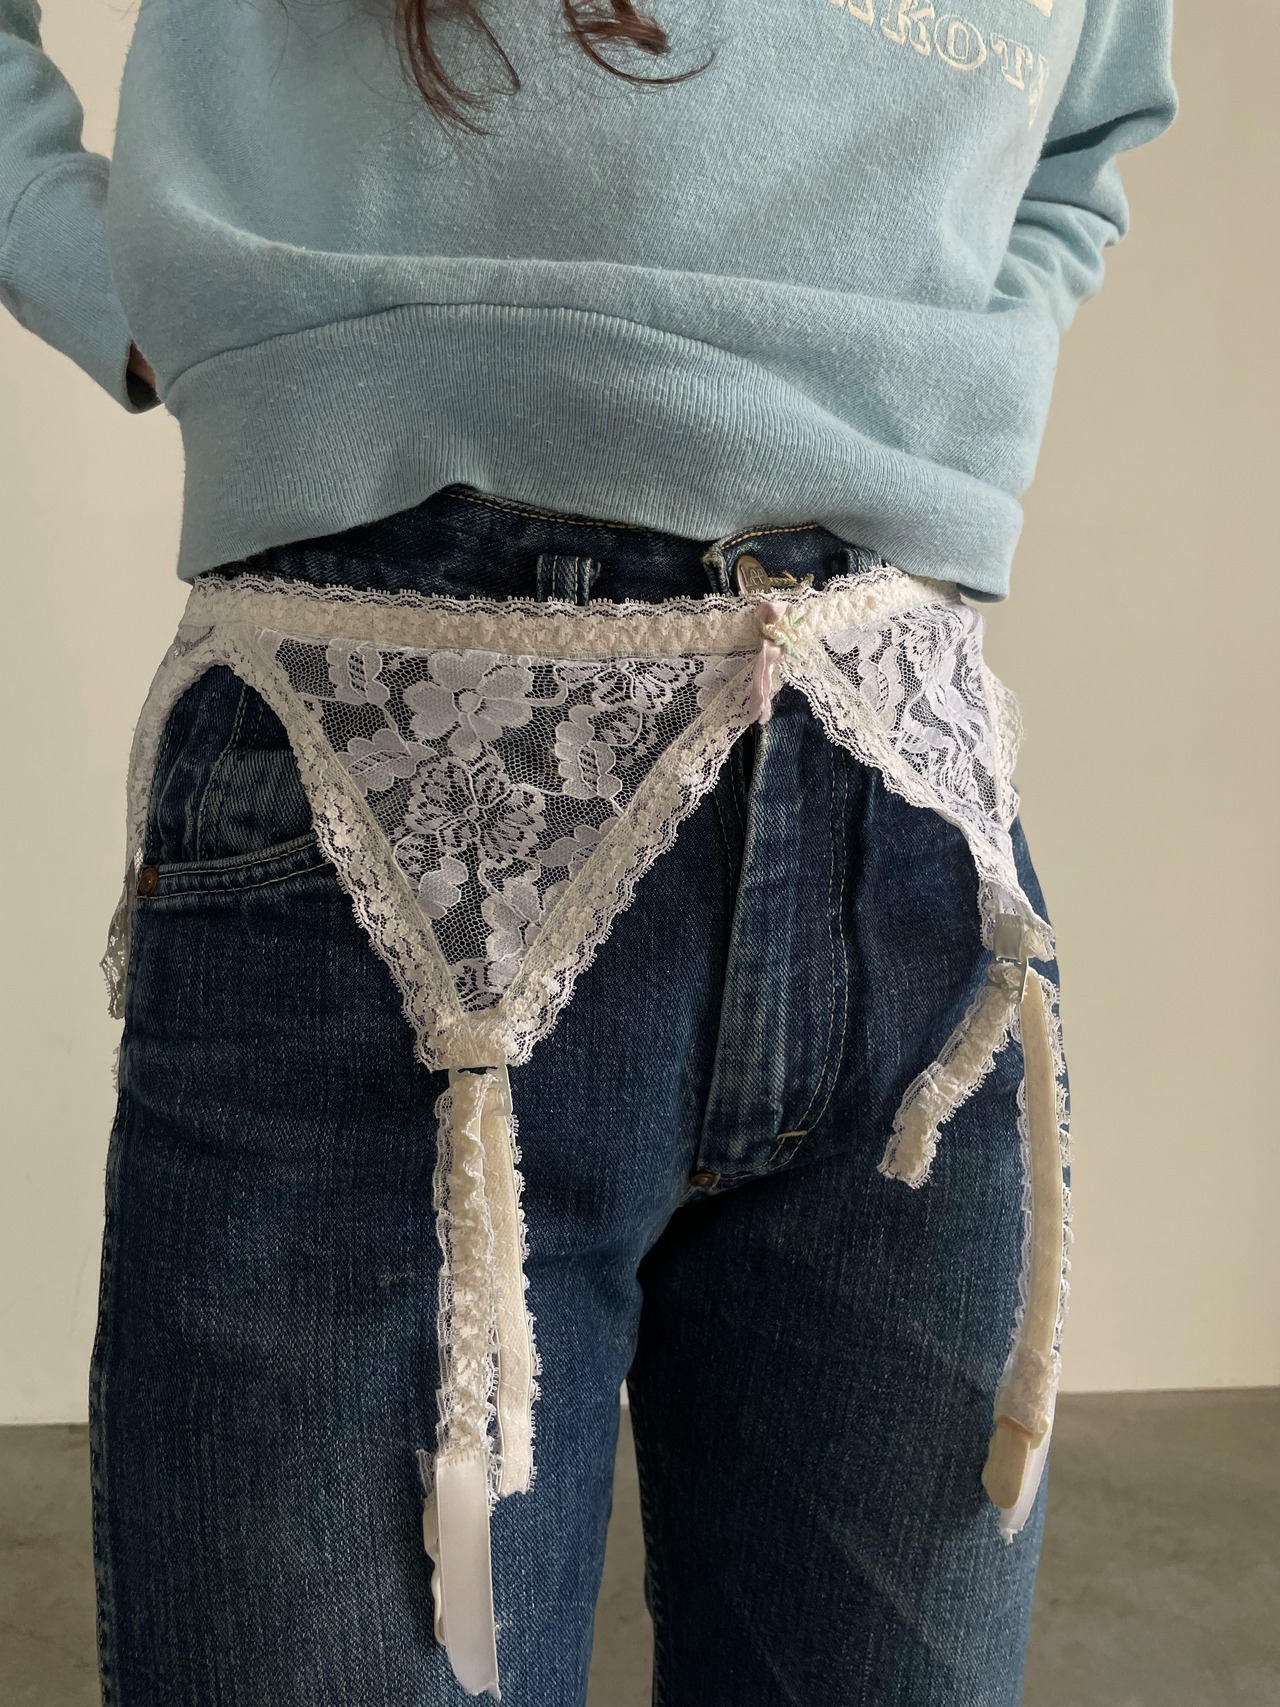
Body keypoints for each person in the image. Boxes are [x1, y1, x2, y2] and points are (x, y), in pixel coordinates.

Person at [0, 2, 1178, 1703]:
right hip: (385, 784)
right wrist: (151, 296)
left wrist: (951, 398)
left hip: (903, 802)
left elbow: (1091, 126)